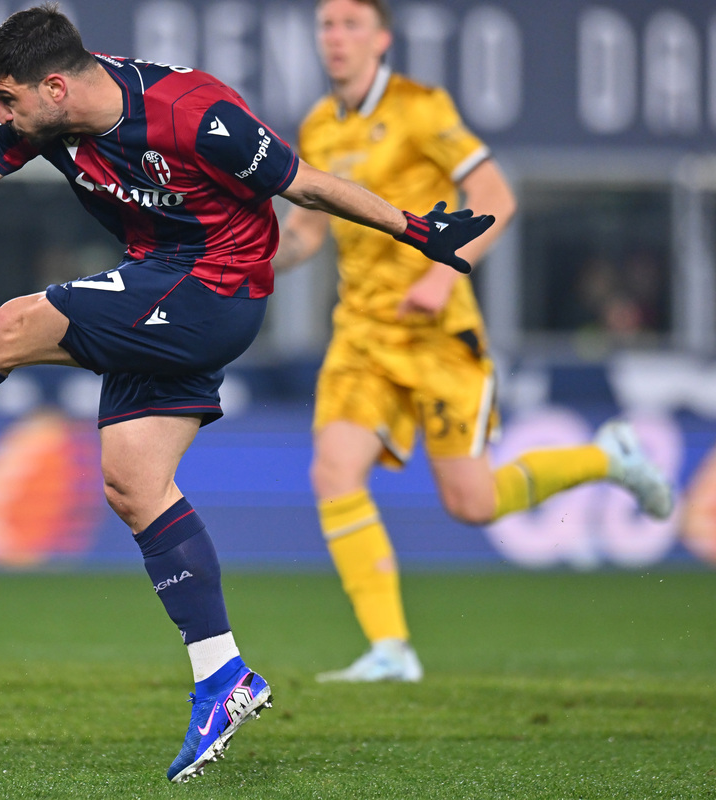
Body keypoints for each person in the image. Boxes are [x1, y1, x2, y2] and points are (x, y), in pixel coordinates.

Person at [0, 3, 493, 781]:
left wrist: (416, 231)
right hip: (162, 282)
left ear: (55, 88)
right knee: (132, 481)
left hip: (215, 291)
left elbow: (308, 186)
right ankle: (224, 677)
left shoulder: (195, 114)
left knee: (11, 326)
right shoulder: (40, 125)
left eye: (8, 99)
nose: (1, 116)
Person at [272, 0, 674, 684]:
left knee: (472, 503)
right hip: (362, 335)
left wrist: (436, 276)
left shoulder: (422, 108)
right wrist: (246, 257)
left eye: (350, 25)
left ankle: (606, 458)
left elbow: (496, 195)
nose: (335, 39)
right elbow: (307, 232)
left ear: (381, 38)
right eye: (326, 25)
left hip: (436, 333)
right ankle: (392, 650)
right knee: (333, 471)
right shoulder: (317, 126)